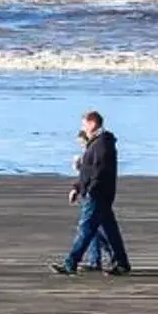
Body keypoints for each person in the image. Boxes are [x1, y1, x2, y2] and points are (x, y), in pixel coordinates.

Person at [54, 109, 131, 275]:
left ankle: (70, 263)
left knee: (86, 229)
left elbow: (99, 171)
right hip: (98, 193)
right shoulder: (96, 143)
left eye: (84, 124)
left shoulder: (102, 143)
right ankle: (121, 263)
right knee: (108, 231)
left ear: (92, 123)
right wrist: (78, 186)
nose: (83, 128)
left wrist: (89, 189)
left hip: (97, 194)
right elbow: (88, 171)